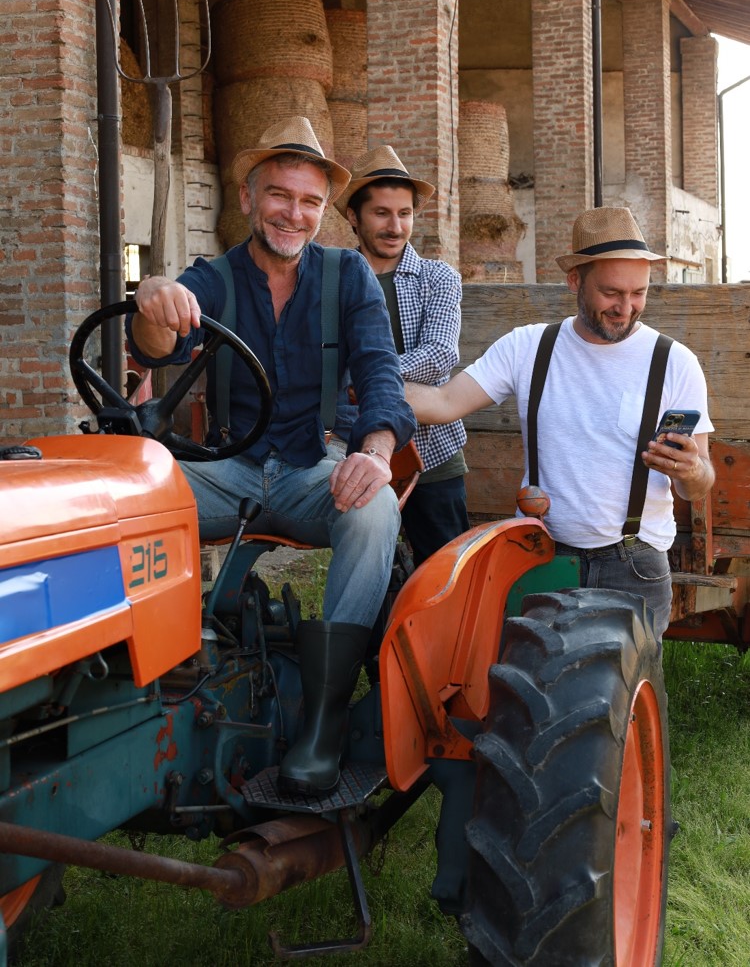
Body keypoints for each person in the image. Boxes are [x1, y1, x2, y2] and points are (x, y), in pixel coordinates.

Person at [127, 116, 416, 797]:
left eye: (310, 201)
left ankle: (324, 719)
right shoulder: (215, 278)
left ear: (323, 211)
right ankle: (138, 683)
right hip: (226, 472)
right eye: (280, 195)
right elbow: (154, 348)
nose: (295, 212)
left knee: (374, 510)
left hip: (311, 468)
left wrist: (374, 452)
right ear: (250, 197)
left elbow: (381, 376)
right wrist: (151, 299)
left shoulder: (348, 278)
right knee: (126, 505)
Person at [405, 206, 716, 640]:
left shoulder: (676, 363)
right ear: (575, 281)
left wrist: (692, 470)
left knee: (623, 701)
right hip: (542, 556)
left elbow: (697, 486)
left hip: (634, 565)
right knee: (530, 694)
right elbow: (441, 401)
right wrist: (371, 387)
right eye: (611, 292)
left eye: (638, 293)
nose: (626, 308)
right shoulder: (529, 346)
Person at [333, 146, 470, 566]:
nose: (396, 226)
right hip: (352, 448)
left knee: (446, 569)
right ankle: (372, 634)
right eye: (381, 213)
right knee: (366, 567)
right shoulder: (330, 280)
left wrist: (367, 378)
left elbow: (440, 356)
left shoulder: (438, 277)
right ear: (354, 217)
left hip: (432, 449)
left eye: (405, 213)